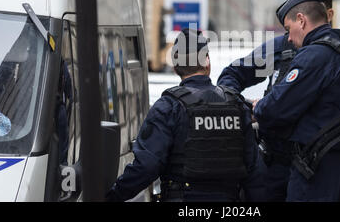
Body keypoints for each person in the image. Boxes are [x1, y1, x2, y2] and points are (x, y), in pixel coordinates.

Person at [252, 0, 340, 202]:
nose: (290, 38)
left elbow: (276, 108)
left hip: (318, 170)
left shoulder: (314, 55)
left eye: (288, 29)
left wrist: (259, 107)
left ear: (301, 20)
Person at [106, 28, 265, 202]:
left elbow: (147, 166)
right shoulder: (237, 105)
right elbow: (255, 171)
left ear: (175, 68)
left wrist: (111, 196)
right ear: (207, 63)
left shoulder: (167, 106)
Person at [217, 0, 334, 202]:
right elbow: (232, 75)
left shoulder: (338, 55)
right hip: (277, 164)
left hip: (318, 166)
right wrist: (243, 107)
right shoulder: (283, 48)